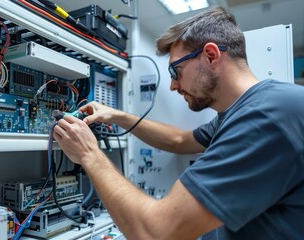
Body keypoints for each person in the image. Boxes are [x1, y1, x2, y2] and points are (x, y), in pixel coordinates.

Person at [53, 6, 304, 240]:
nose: (173, 85)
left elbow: (156, 232)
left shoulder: (265, 116)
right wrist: (118, 115)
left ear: (211, 55)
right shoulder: (242, 112)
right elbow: (179, 140)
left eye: (176, 72)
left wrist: (88, 153)